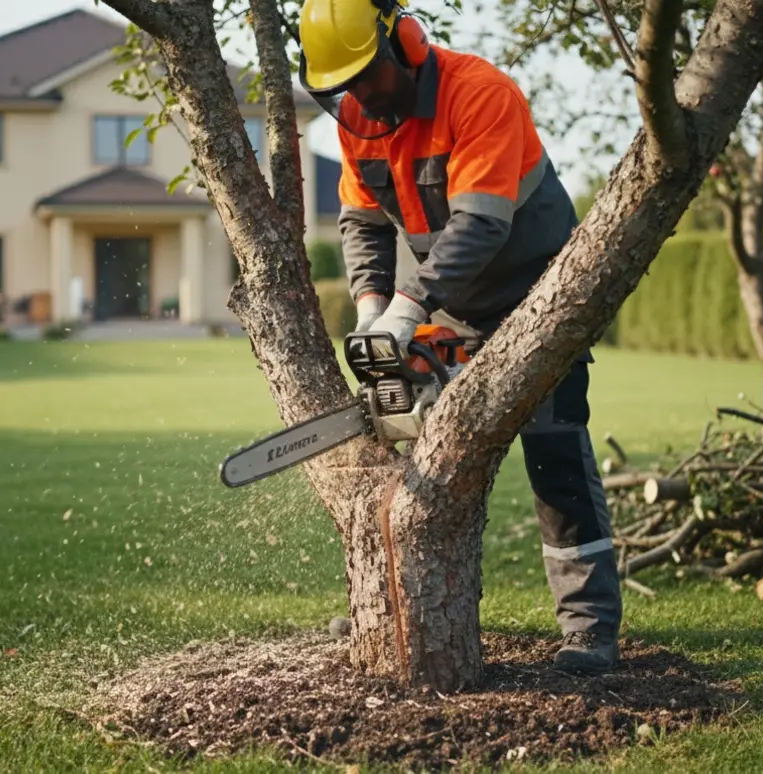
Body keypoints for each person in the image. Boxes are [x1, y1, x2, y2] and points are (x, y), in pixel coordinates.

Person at [296, 0, 624, 673]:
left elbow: (480, 223)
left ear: (405, 43)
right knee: (396, 436)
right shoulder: (361, 124)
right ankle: (388, 604)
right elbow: (362, 226)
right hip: (444, 304)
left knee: (555, 455)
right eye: (344, 86)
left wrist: (409, 304)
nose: (360, 96)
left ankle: (589, 628)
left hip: (538, 299)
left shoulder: (480, 95)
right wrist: (371, 311)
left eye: (368, 76)